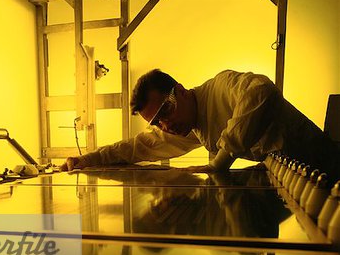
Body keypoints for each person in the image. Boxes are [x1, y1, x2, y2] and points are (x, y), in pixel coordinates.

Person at [61, 69, 340, 181]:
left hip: (328, 165)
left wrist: (223, 158)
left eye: (164, 111)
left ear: (180, 91)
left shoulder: (219, 87)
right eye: (157, 122)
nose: (166, 125)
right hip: (297, 181)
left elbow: (260, 89)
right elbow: (138, 147)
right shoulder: (190, 125)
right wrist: (88, 159)